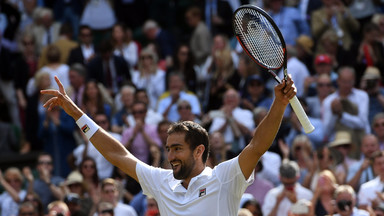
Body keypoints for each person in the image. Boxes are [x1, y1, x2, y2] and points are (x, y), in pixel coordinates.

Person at [40, 74, 297, 215]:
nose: (171, 155)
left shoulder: (225, 177)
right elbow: (117, 154)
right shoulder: (162, 182)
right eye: (168, 148)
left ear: (199, 151)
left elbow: (257, 145)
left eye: (177, 149)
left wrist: (280, 104)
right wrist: (77, 114)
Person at [322, 66, 370, 155]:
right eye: (344, 82)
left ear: (354, 81)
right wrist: (334, 114)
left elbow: (362, 123)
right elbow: (326, 131)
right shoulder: (329, 101)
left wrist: (341, 115)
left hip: (360, 142)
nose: (347, 85)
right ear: (338, 81)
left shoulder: (362, 96)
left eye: (350, 82)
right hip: (338, 144)